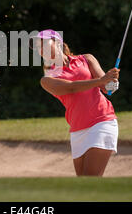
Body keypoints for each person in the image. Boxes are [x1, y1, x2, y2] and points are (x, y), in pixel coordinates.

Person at [29, 29, 120, 176]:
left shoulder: (87, 59)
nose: (41, 49)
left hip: (101, 122)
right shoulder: (47, 79)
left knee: (91, 179)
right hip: (78, 130)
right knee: (84, 184)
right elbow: (71, 88)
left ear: (58, 42)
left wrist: (113, 83)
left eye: (44, 43)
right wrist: (101, 80)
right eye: (38, 47)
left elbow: (106, 88)